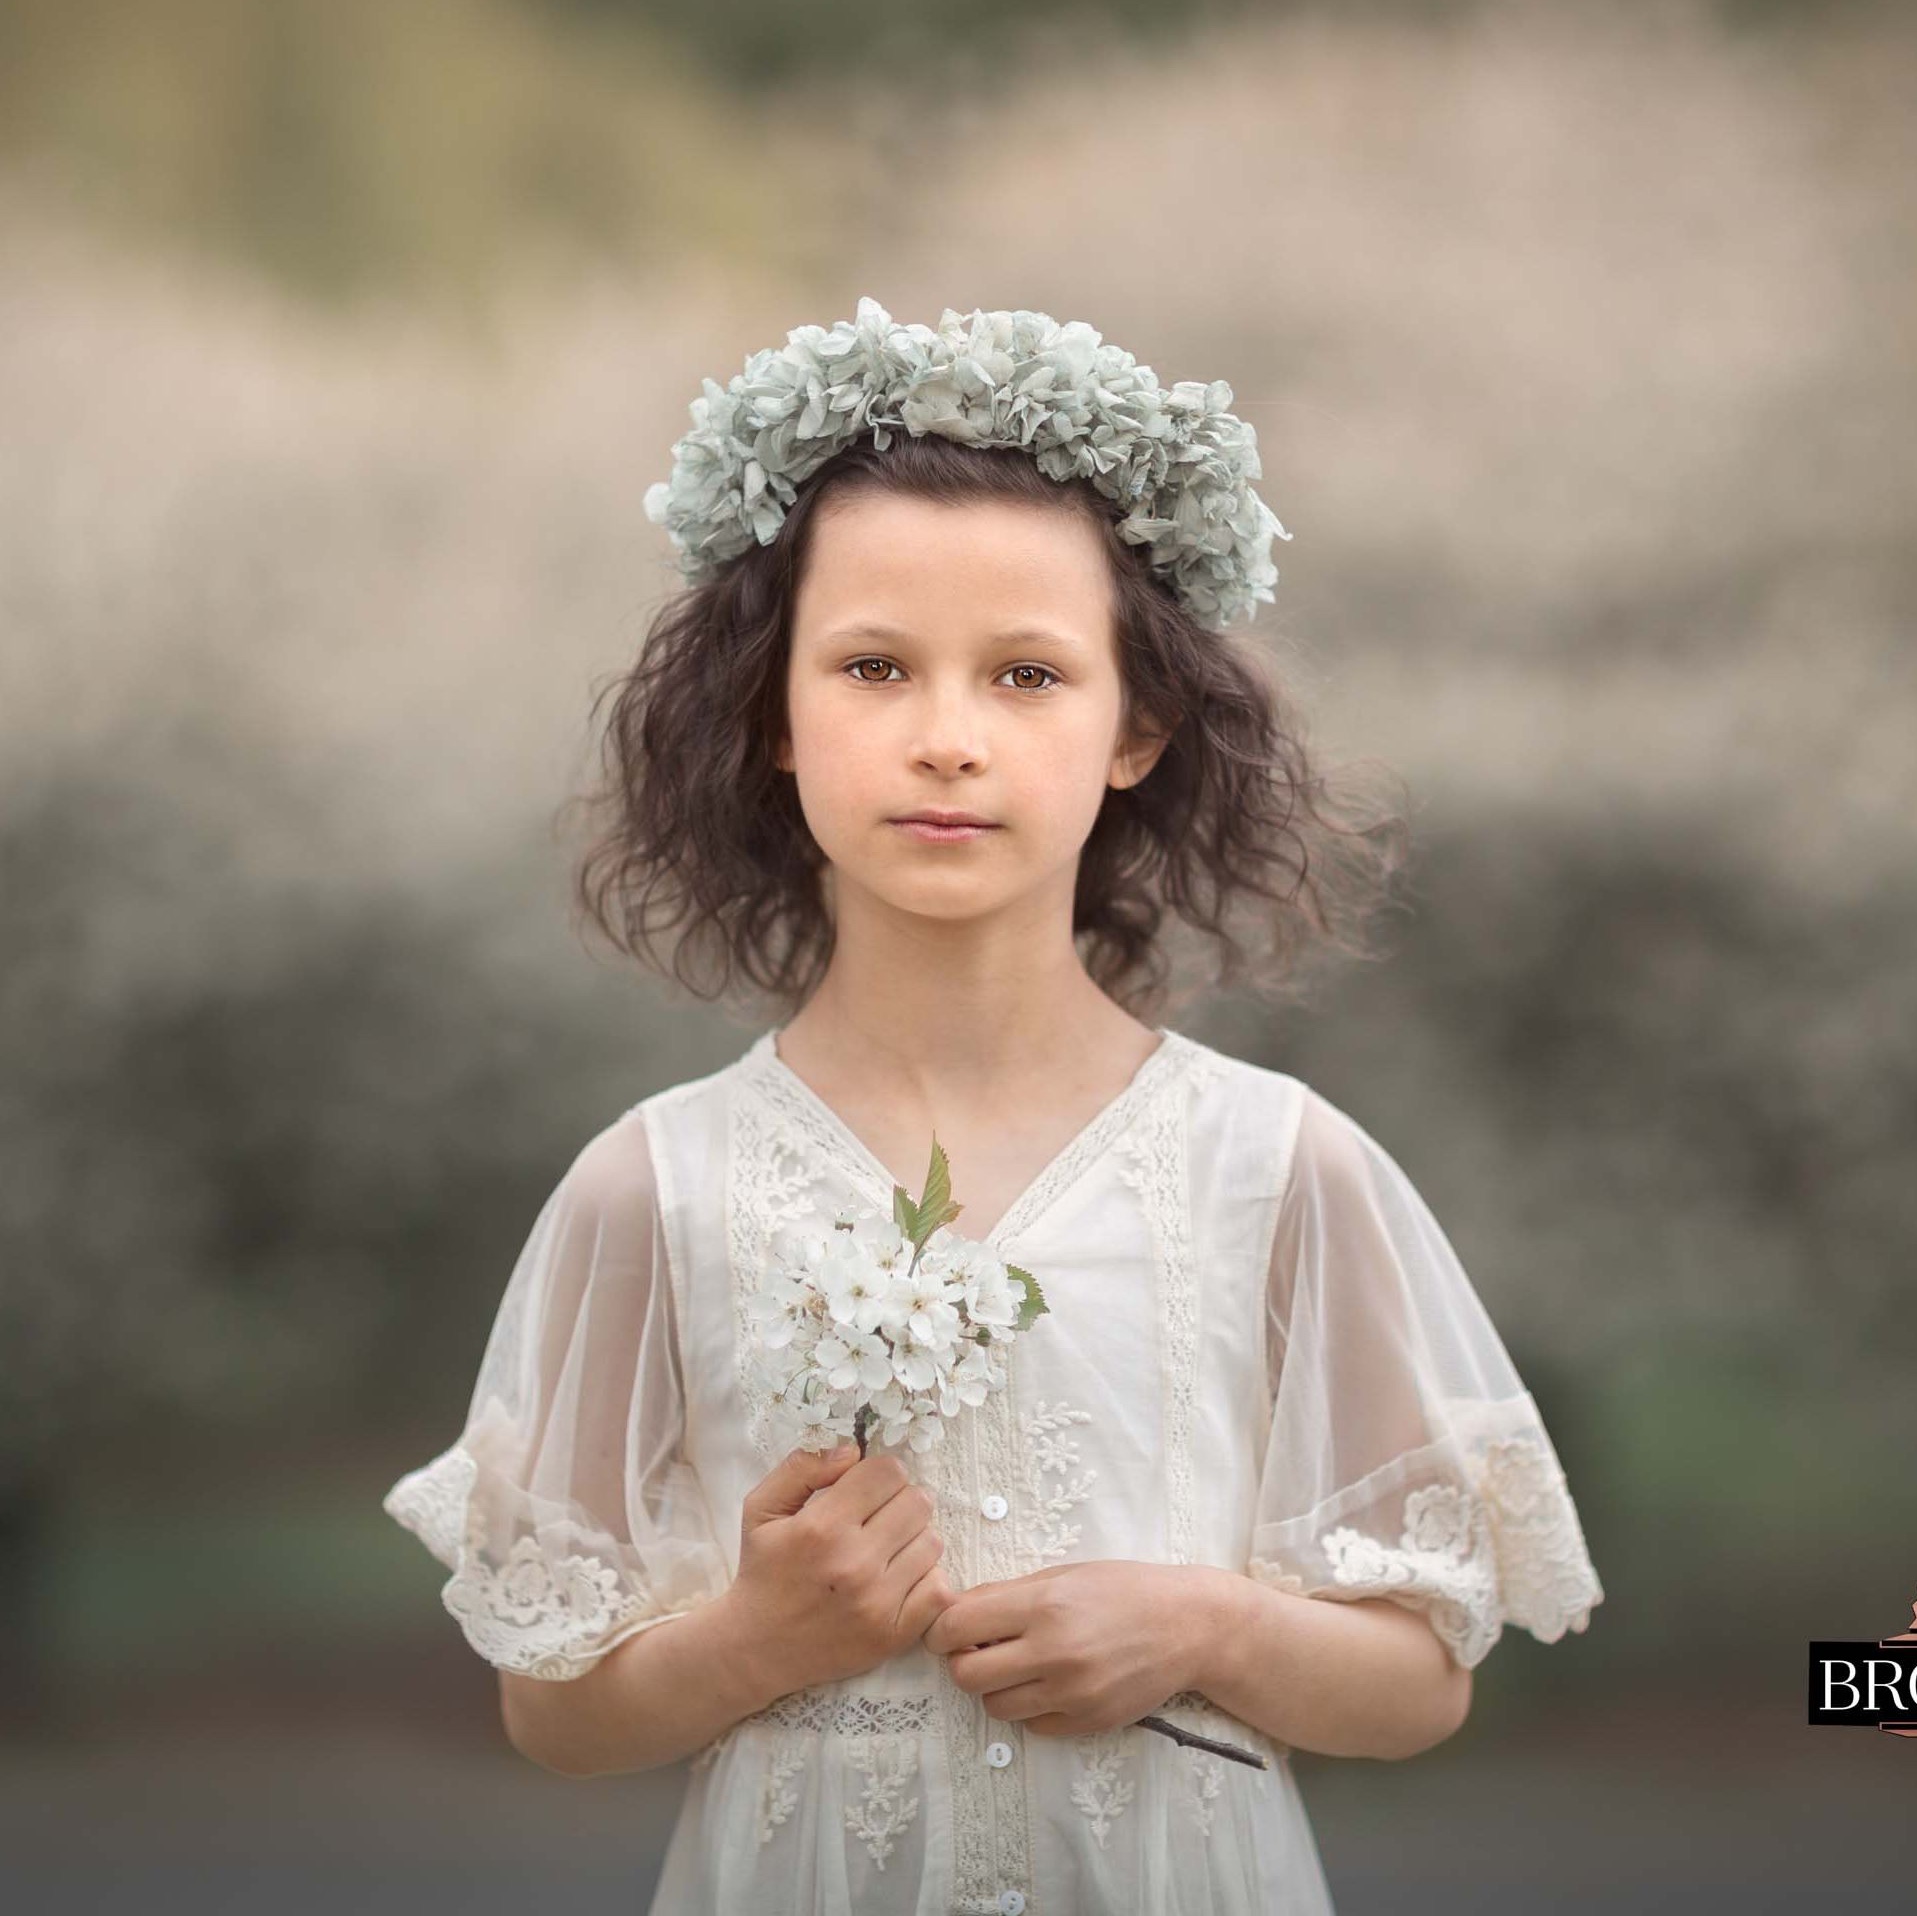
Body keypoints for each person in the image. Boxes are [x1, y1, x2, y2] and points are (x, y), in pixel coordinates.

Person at [382, 298, 1604, 1915]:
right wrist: (757, 1640)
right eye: (873, 667)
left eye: (1028, 675)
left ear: (1135, 730)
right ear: (773, 719)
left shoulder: (1279, 1170)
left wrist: (1203, 1625)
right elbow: (553, 1712)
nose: (947, 739)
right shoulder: (649, 1189)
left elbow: (1420, 1686)